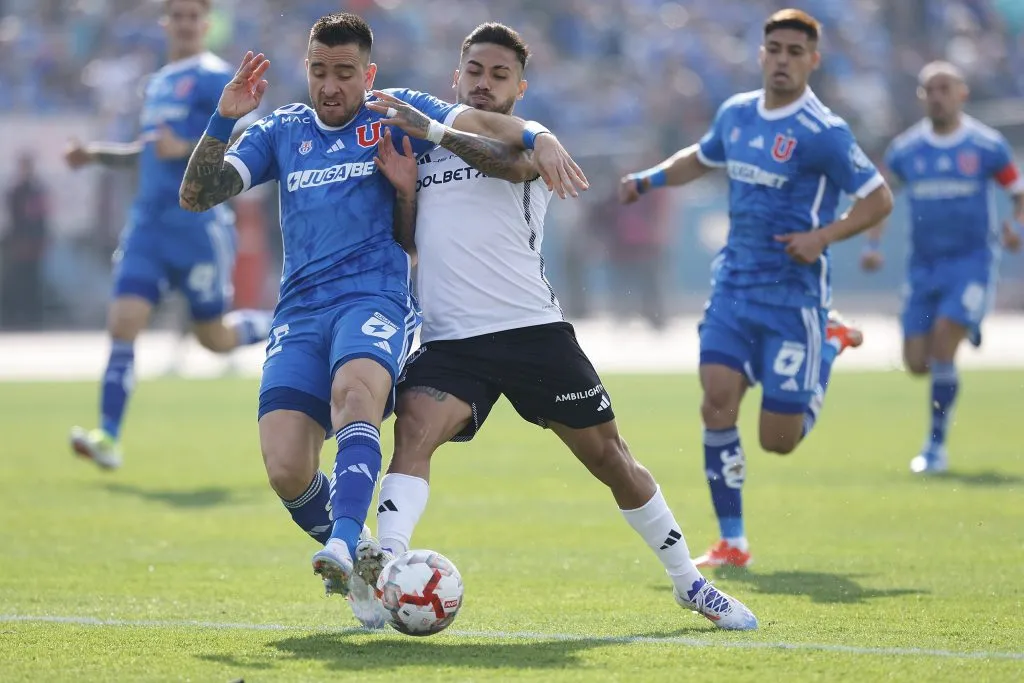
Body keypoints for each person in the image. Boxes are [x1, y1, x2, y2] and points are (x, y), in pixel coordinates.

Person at [176, 12, 587, 623]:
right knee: (286, 467)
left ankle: (343, 543)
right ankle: (368, 559)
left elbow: (478, 123)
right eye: (320, 71)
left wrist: (537, 135)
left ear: (366, 73)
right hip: (300, 313)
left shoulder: (394, 112)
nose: (331, 86)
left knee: (354, 395)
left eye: (345, 73)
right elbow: (196, 195)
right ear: (307, 70)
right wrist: (224, 116)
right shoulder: (281, 131)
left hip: (374, 300)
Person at [351, 22, 757, 631]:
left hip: (531, 332)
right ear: (455, 74)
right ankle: (392, 571)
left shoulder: (527, 147)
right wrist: (407, 195)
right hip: (450, 340)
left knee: (611, 459)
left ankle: (689, 583)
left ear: (520, 87)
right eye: (475, 71)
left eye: (499, 75)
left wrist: (444, 128)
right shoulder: (422, 147)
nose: (484, 84)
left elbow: (503, 164)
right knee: (413, 431)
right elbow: (410, 243)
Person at [618, 9, 894, 569]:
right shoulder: (737, 113)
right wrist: (647, 179)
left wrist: (824, 235)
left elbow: (878, 198)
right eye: (775, 49)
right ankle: (733, 541)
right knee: (716, 401)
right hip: (735, 287)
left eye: (796, 51)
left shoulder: (824, 133)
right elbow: (701, 158)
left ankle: (831, 342)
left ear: (813, 60)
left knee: (778, 440)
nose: (783, 60)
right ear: (761, 53)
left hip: (795, 297)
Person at [65, 0, 274, 470]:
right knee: (123, 323)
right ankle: (108, 437)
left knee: (214, 339)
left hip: (197, 228)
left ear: (206, 23)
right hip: (147, 227)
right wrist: (95, 154)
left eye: (191, 16)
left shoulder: (213, 76)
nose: (183, 23)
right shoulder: (156, 82)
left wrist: (185, 146)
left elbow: (252, 133)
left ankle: (282, 321)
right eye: (176, 15)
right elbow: (148, 153)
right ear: (165, 23)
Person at [860, 61, 1023, 474]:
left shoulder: (986, 146)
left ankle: (935, 447)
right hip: (923, 267)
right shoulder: (906, 150)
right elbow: (880, 199)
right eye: (929, 89)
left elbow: (1018, 192)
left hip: (971, 262)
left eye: (944, 88)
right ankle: (967, 322)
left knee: (943, 342)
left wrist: (1017, 227)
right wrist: (872, 243)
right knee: (917, 362)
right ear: (921, 97)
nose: (937, 95)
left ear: (962, 93)